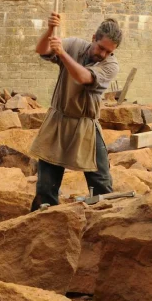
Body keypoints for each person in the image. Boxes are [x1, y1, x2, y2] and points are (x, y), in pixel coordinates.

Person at [30, 12, 122, 211]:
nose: (103, 54)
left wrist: (62, 54)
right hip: (58, 121)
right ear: (93, 38)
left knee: (101, 184)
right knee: (46, 187)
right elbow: (42, 50)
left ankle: (105, 226)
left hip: (85, 124)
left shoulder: (110, 65)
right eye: (101, 48)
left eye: (109, 51)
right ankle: (45, 225)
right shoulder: (74, 45)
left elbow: (83, 78)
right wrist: (49, 30)